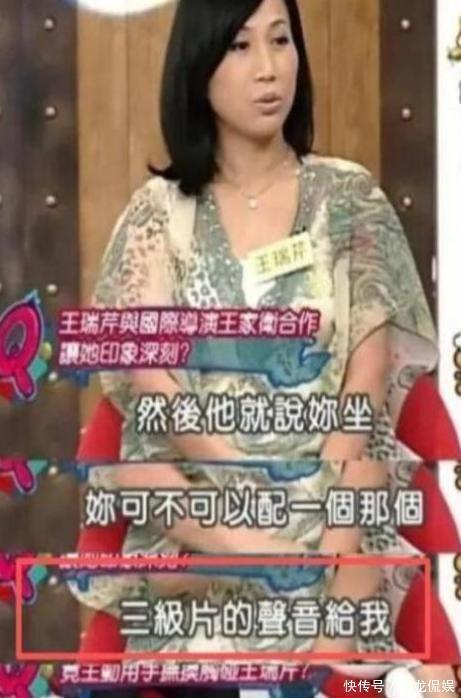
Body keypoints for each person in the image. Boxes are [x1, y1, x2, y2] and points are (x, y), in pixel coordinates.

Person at [72, 0, 454, 693]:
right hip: (206, 508)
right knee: (140, 472)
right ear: (199, 65)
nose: (269, 69)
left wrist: (311, 514)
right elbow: (154, 390)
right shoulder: (157, 215)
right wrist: (248, 499)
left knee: (361, 475)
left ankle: (322, 634)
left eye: (281, 42)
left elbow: (364, 388)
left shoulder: (349, 198)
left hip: (328, 488)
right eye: (241, 47)